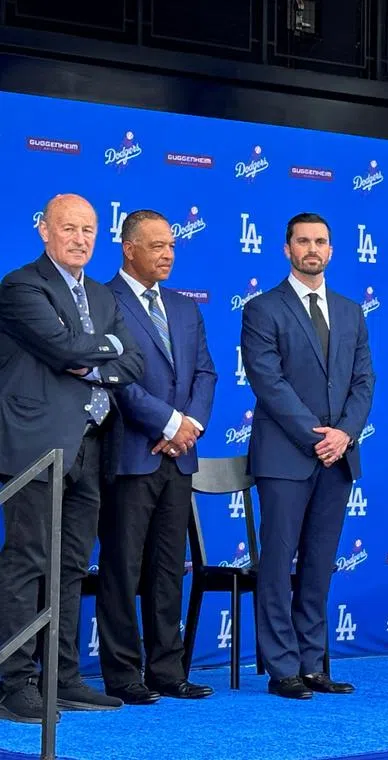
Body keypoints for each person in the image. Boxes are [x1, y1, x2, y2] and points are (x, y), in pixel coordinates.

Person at [0, 193, 144, 722]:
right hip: (37, 447)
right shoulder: (21, 286)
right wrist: (93, 352)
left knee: (70, 565)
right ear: (44, 230)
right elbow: (61, 350)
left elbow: (133, 361)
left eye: (88, 230)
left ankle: (61, 678)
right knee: (27, 562)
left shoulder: (103, 296)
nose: (80, 239)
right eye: (69, 229)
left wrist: (90, 358)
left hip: (91, 444)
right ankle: (14, 683)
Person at [241, 212, 375, 700]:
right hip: (284, 457)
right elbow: (267, 382)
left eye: (320, 241)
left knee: (319, 565)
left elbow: (364, 383)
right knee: (277, 565)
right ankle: (282, 670)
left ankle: (313, 663)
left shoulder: (350, 311)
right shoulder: (262, 309)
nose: (312, 249)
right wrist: (315, 436)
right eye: (303, 241)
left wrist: (343, 436)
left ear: (332, 250)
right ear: (287, 248)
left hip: (338, 457)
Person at [97, 210, 218, 704]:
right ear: (128, 248)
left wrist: (189, 428)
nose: (168, 254)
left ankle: (167, 670)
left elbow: (206, 375)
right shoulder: (105, 300)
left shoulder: (185, 308)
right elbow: (114, 377)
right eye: (156, 246)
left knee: (170, 568)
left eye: (171, 246)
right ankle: (123, 675)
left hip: (178, 459)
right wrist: (169, 424)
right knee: (123, 570)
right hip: (131, 455)